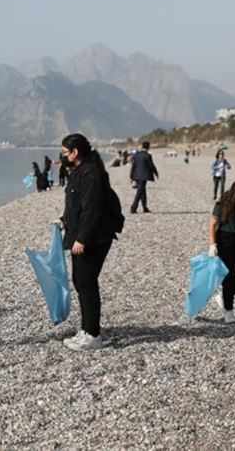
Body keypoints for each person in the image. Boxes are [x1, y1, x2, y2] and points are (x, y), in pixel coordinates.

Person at [58, 133, 119, 351]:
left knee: (86, 282)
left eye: (65, 152)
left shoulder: (91, 173)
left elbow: (92, 209)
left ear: (75, 152)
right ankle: (86, 328)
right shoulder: (79, 171)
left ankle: (93, 335)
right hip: (81, 235)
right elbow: (76, 205)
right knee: (79, 281)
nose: (63, 156)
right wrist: (64, 220)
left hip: (94, 238)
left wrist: (82, 238)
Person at [208, 179, 235, 323]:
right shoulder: (223, 204)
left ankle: (224, 297)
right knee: (229, 276)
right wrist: (212, 244)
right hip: (224, 240)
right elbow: (212, 224)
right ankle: (228, 310)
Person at [130, 140, 159, 214]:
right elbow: (151, 166)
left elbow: (133, 166)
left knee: (143, 191)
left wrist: (131, 176)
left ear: (142, 146)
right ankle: (133, 208)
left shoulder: (136, 155)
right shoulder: (148, 155)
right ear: (148, 147)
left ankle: (144, 207)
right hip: (144, 176)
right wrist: (156, 173)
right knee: (139, 192)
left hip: (136, 175)